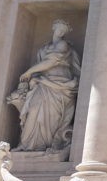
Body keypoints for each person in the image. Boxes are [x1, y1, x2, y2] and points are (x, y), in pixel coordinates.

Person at [7, 20, 81, 154]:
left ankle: (45, 146)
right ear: (54, 28)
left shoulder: (63, 45)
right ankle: (27, 144)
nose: (61, 32)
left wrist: (29, 72)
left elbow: (51, 62)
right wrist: (33, 78)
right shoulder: (44, 47)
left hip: (59, 85)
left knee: (52, 116)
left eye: (64, 30)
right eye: (59, 29)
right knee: (33, 109)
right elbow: (41, 66)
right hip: (43, 82)